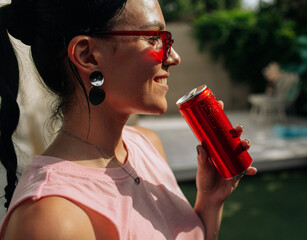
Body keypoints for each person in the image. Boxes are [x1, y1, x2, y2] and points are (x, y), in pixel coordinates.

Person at [0, 0, 257, 239]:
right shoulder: (51, 217)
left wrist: (210, 202)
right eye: (154, 37)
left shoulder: (147, 145)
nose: (173, 57)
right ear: (87, 54)